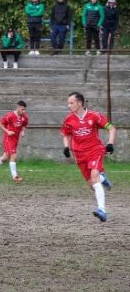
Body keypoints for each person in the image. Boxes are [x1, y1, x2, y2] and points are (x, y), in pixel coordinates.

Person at [61, 92, 117, 222]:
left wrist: (110, 144)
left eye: (71, 103)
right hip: (79, 154)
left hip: (95, 150)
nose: (69, 106)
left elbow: (112, 128)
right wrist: (66, 147)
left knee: (94, 177)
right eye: (68, 103)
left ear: (80, 103)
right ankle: (103, 179)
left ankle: (102, 210)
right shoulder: (68, 119)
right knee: (92, 185)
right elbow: (66, 134)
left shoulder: (94, 116)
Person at [0, 101, 29, 183]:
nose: (23, 111)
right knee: (13, 155)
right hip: (8, 139)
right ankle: (15, 177)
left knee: (5, 157)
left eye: (24, 110)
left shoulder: (24, 117)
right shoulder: (10, 116)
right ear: (17, 107)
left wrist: (23, 132)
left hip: (16, 139)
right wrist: (7, 131)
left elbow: (24, 125)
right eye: (22, 109)